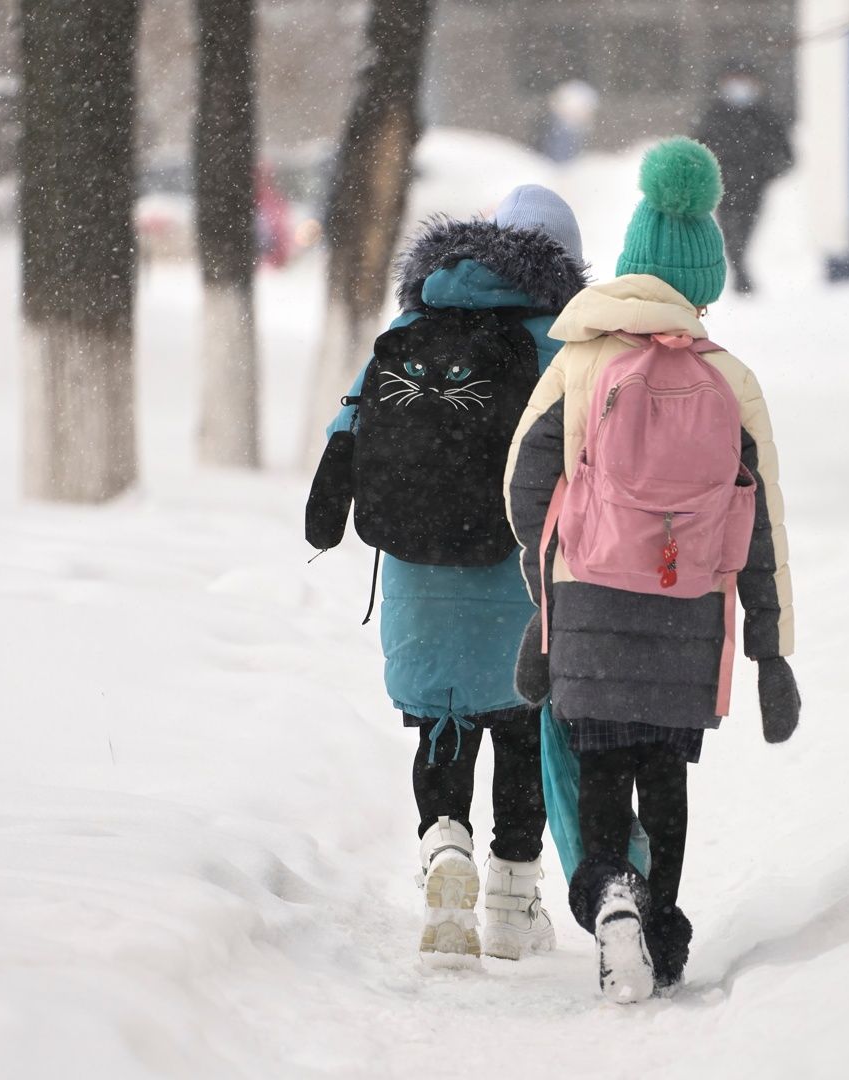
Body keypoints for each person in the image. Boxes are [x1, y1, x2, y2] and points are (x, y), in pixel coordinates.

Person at [504, 139, 800, 1001]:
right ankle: (661, 930)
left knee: (600, 773)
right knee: (663, 776)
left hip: (590, 601)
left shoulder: (578, 361)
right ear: (703, 279)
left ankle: (609, 900)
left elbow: (524, 481)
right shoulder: (728, 378)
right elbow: (764, 525)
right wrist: (770, 648)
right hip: (689, 612)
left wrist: (549, 585)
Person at [309, 186, 589, 962]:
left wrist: (325, 513)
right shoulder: (562, 343)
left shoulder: (413, 324)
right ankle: (509, 899)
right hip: (520, 570)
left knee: (443, 719)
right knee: (522, 725)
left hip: (419, 566)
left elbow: (349, 426)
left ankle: (444, 849)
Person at [691, 66, 792, 295]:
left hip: (755, 186)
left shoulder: (766, 115)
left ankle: (740, 270)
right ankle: (740, 272)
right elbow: (696, 147)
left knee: (746, 228)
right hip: (722, 185)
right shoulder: (713, 114)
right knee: (729, 230)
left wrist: (768, 172)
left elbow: (785, 154)